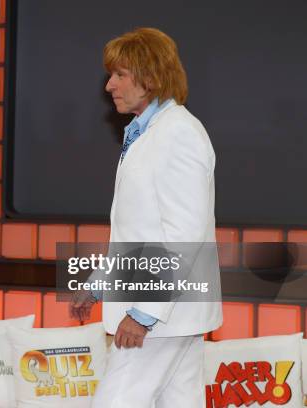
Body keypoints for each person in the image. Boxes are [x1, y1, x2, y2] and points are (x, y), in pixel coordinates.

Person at [70, 27, 222, 407]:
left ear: (152, 78)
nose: (109, 86)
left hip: (162, 313)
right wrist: (100, 282)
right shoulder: (150, 132)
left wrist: (144, 313)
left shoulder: (178, 134)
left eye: (120, 75)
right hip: (173, 313)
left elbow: (183, 233)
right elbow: (139, 231)